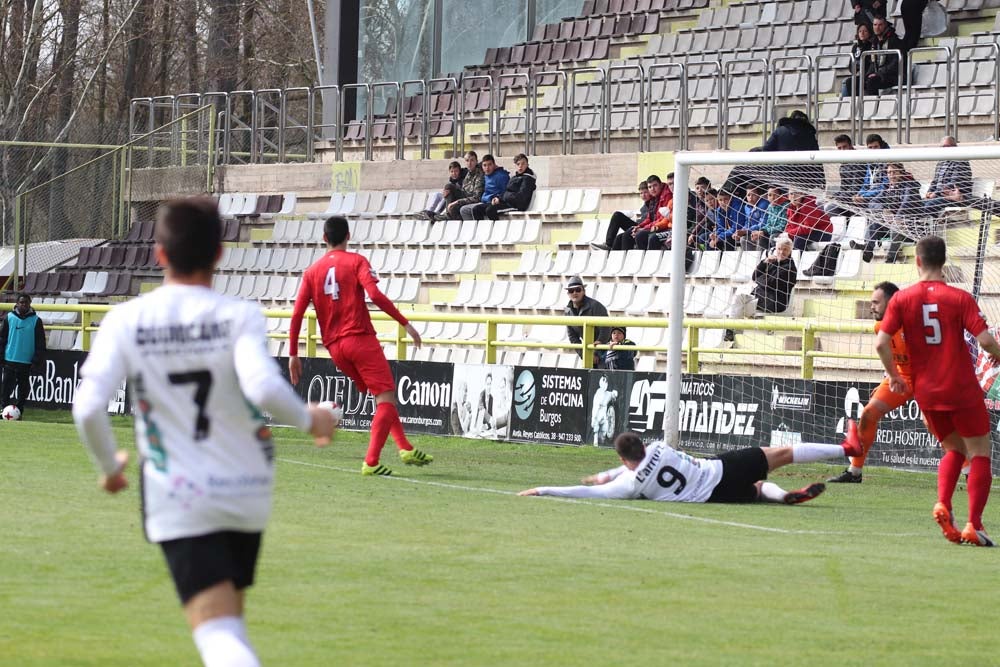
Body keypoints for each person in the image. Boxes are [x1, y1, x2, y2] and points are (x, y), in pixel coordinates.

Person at [71, 197, 339, 667]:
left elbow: (89, 407)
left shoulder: (126, 321)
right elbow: (262, 385)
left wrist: (109, 466)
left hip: (181, 494)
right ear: (219, 254)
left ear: (159, 255)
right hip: (247, 491)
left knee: (218, 637)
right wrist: (310, 419)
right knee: (228, 624)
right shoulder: (240, 316)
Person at [876, 235, 1000, 546]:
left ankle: (943, 503)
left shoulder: (902, 299)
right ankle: (974, 524)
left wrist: (893, 376)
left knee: (953, 450)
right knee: (980, 452)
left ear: (917, 261)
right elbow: (985, 341)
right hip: (960, 387)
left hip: (926, 391)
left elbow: (880, 343)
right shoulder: (959, 298)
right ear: (943, 262)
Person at [288, 216, 433, 476]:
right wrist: (405, 324)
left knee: (381, 396)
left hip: (335, 348)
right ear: (348, 236)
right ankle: (371, 461)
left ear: (324, 239)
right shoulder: (356, 261)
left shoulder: (311, 272)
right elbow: (375, 295)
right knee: (386, 397)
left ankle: (405, 447)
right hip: (359, 339)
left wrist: (293, 355)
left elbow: (297, 314)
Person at [518, 427, 863, 503]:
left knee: (757, 491)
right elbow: (635, 463)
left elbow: (587, 493)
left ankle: (784, 495)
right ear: (642, 442)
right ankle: (846, 447)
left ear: (624, 460)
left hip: (715, 497)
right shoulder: (659, 447)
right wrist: (609, 472)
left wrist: (544, 489)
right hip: (720, 469)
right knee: (783, 454)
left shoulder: (631, 484)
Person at [829, 282, 911, 483]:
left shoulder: (913, 322)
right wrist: (889, 376)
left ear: (892, 302)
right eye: (871, 302)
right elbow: (892, 356)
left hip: (927, 378)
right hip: (900, 378)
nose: (871, 307)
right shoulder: (879, 327)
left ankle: (968, 470)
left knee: (935, 424)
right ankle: (854, 472)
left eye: (876, 302)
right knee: (868, 413)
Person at [862, 162, 922, 263]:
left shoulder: (910, 187)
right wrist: (883, 210)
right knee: (874, 223)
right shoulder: (888, 188)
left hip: (911, 229)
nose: (891, 175)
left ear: (901, 173)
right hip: (894, 226)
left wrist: (896, 218)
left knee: (896, 226)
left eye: (894, 172)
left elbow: (906, 204)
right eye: (889, 173)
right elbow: (872, 202)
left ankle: (890, 258)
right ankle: (868, 249)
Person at [728, 235, 798, 319]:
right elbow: (754, 276)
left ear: (790, 251)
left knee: (740, 302)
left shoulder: (789, 268)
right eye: (779, 249)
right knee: (738, 299)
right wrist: (764, 262)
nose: (781, 252)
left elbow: (768, 284)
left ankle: (732, 328)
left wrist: (759, 279)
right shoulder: (774, 262)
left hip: (775, 303)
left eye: (785, 249)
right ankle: (733, 328)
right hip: (762, 298)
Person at [0, 292, 46, 416]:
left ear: (30, 304)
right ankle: (3, 409)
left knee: (23, 390)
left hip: (26, 361)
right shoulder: (9, 318)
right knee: (6, 388)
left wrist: (36, 360)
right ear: (17, 304)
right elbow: (2, 338)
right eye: (21, 302)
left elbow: (40, 343)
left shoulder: (36, 321)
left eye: (26, 302)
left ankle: (19, 411)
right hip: (10, 359)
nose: (23, 305)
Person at [761, 109, 825, 192]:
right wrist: (822, 179)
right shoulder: (809, 134)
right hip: (804, 180)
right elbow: (817, 159)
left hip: (781, 178)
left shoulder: (780, 131)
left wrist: (772, 171)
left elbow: (766, 151)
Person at [592, 181, 653, 251]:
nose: (643, 195)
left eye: (645, 192)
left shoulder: (654, 203)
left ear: (650, 191)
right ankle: (609, 248)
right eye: (641, 193)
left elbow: (651, 219)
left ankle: (608, 245)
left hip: (645, 228)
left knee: (621, 234)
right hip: (640, 226)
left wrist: (640, 226)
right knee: (617, 220)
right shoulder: (644, 206)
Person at [564, 275, 610, 367]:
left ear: (583, 291)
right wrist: (585, 355)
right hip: (589, 351)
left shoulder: (595, 306)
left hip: (606, 350)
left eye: (578, 289)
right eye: (571, 291)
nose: (574, 293)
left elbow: (606, 328)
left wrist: (596, 352)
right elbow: (573, 338)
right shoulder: (568, 311)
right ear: (568, 294)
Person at [922, 136, 973, 218]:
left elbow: (954, 183)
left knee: (929, 205)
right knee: (917, 204)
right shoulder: (941, 162)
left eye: (947, 146)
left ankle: (935, 227)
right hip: (939, 195)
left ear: (955, 147)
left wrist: (935, 193)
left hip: (954, 197)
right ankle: (924, 227)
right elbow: (935, 181)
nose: (945, 149)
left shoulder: (960, 162)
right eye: (943, 147)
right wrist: (929, 192)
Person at [824, 134, 869, 217]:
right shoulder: (843, 165)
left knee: (830, 207)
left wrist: (837, 198)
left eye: (844, 147)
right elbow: (844, 188)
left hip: (859, 198)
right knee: (821, 203)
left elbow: (856, 187)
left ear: (851, 146)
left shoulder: (859, 162)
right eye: (839, 148)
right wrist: (834, 196)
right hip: (847, 199)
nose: (842, 150)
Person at [482, 153, 536, 220]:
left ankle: (499, 230)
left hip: (517, 206)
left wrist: (504, 197)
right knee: (478, 209)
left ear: (527, 165)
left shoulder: (528, 179)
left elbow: (521, 198)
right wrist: (498, 198)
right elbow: (507, 191)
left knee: (490, 210)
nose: (520, 166)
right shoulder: (515, 177)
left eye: (523, 163)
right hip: (508, 202)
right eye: (518, 164)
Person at [460, 154, 509, 221]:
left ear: (494, 165)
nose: (487, 168)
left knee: (482, 210)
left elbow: (506, 191)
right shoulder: (485, 175)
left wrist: (498, 198)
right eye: (485, 165)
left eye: (489, 165)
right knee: (470, 209)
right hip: (485, 201)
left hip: (497, 202)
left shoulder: (501, 176)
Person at [865, 17, 904, 95]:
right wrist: (866, 75)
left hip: (894, 76)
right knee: (852, 82)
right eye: (875, 25)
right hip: (880, 74)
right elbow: (873, 63)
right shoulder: (874, 41)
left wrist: (878, 73)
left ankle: (873, 106)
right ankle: (856, 106)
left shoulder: (894, 40)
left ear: (885, 26)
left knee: (871, 81)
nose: (877, 28)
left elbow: (895, 64)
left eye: (880, 25)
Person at [443, 151, 484, 221]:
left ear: (476, 161)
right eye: (467, 161)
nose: (469, 163)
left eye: (472, 160)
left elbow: (477, 198)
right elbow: (463, 190)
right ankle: (448, 214)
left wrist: (457, 202)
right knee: (449, 187)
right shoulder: (468, 173)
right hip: (465, 198)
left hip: (473, 201)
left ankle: (448, 216)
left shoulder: (479, 175)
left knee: (453, 207)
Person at [841, 23, 874, 98]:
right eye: (860, 31)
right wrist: (855, 68)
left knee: (850, 82)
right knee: (847, 81)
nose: (862, 33)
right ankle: (848, 103)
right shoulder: (855, 47)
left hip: (867, 74)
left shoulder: (872, 45)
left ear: (869, 33)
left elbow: (872, 63)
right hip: (858, 74)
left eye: (865, 31)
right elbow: (851, 65)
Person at [736, 185, 770, 250]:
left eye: (753, 195)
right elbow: (747, 222)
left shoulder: (764, 205)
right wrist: (743, 230)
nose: (750, 198)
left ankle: (760, 258)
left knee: (760, 239)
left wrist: (747, 231)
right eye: (748, 195)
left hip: (763, 232)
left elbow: (763, 223)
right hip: (752, 232)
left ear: (759, 195)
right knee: (743, 239)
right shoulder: (747, 207)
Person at [590, 375, 618, 446]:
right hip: (598, 411)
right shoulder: (598, 393)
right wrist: (594, 417)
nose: (605, 384)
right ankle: (595, 443)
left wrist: (614, 394)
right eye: (604, 382)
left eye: (606, 382)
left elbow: (613, 395)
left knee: (604, 429)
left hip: (604, 413)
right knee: (596, 428)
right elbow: (595, 406)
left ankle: (601, 442)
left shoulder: (608, 394)